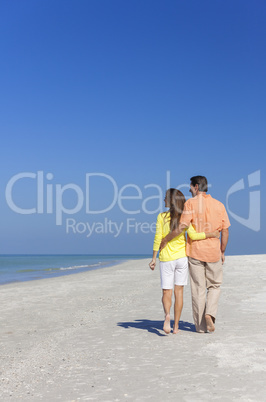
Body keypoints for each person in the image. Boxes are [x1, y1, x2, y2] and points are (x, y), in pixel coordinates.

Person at [160, 176, 230, 333]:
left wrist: (165, 239)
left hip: (195, 253)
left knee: (198, 289)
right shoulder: (219, 205)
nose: (189, 190)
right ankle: (210, 314)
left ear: (196, 187)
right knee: (214, 285)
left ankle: (200, 327)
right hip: (213, 252)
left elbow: (182, 227)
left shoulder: (190, 204)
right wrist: (223, 250)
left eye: (190, 187)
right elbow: (225, 231)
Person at [149, 188, 219, 335]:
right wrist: (211, 233)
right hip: (181, 258)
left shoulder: (161, 217)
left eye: (165, 198)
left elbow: (158, 238)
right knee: (179, 292)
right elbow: (194, 235)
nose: (163, 200)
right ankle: (176, 327)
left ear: (171, 201)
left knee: (166, 291)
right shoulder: (184, 217)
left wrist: (154, 258)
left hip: (166, 259)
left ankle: (167, 316)